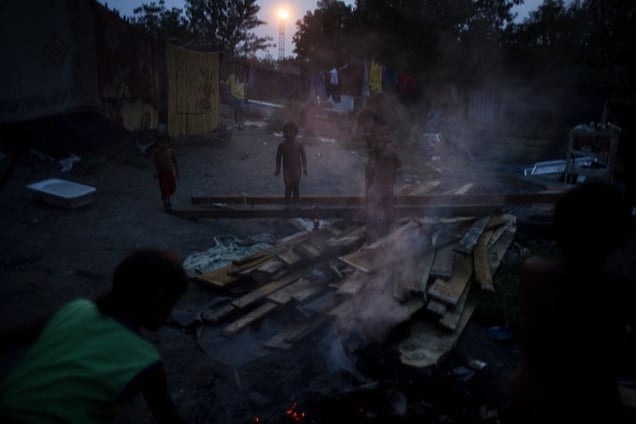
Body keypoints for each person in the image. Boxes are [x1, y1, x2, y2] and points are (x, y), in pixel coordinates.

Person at [0, 247, 189, 423]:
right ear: (158, 300)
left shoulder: (75, 309)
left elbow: (8, 339)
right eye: (170, 305)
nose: (170, 314)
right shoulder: (146, 362)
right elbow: (167, 417)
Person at [507, 182, 633, 423]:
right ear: (616, 241)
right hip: (591, 407)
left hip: (530, 401)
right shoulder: (617, 293)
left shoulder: (533, 273)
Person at [365, 124, 400, 243]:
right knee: (372, 216)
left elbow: (396, 167)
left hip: (387, 188)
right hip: (378, 188)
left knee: (388, 216)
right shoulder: (377, 151)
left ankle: (388, 239)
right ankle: (370, 240)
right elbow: (370, 169)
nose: (386, 137)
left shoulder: (392, 152)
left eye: (388, 135)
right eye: (384, 135)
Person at [275, 122, 307, 206]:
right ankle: (287, 204)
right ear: (284, 133)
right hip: (287, 171)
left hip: (297, 170)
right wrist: (277, 169)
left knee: (296, 187)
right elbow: (278, 158)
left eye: (292, 132)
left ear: (296, 133)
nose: (289, 134)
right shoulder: (282, 145)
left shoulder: (299, 145)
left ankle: (296, 203)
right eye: (287, 132)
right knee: (288, 187)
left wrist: (305, 168)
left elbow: (304, 157)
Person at [153, 125, 179, 211]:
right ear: (158, 143)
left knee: (173, 187)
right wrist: (155, 171)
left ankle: (165, 197)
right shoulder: (156, 152)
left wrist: (177, 172)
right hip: (161, 174)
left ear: (168, 143)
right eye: (160, 143)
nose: (162, 145)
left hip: (170, 172)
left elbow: (175, 161)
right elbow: (153, 162)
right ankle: (167, 203)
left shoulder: (171, 151)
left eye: (164, 142)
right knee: (165, 188)